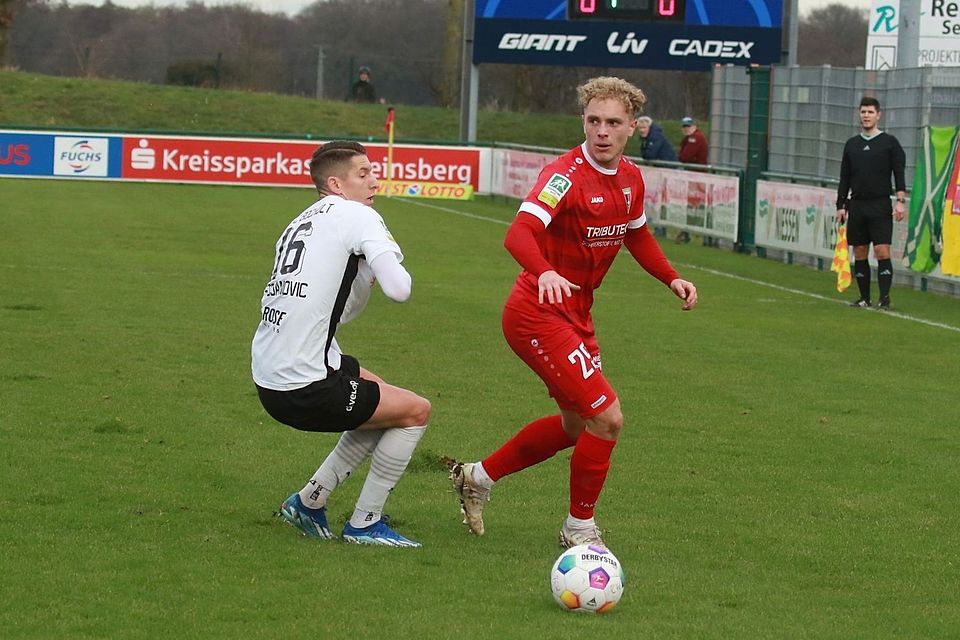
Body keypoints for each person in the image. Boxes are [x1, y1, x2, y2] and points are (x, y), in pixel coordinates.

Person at [448, 77, 698, 548]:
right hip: (536, 312)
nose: (602, 131)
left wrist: (671, 277)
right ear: (583, 121)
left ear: (632, 128)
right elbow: (518, 234)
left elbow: (636, 235)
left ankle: (477, 477)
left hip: (577, 313)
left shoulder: (630, 178)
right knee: (607, 417)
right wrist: (542, 270)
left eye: (613, 123)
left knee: (576, 426)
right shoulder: (563, 175)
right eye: (593, 121)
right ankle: (578, 528)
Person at [251, 140, 430, 547]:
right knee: (416, 411)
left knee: (384, 402)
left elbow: (324, 306)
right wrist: (379, 260)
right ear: (336, 183)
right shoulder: (356, 215)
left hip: (271, 371)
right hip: (303, 383)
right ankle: (365, 524)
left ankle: (308, 502)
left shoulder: (301, 221)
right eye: (363, 174)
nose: (374, 181)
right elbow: (399, 290)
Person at [836, 96, 906, 310]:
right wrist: (841, 205)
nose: (866, 116)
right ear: (859, 114)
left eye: (870, 112)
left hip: (880, 204)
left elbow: (899, 173)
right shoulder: (852, 144)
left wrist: (900, 201)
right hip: (857, 205)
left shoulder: (889, 142)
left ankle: (884, 298)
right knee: (859, 251)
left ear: (878, 115)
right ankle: (864, 297)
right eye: (863, 112)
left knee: (882, 251)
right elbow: (844, 177)